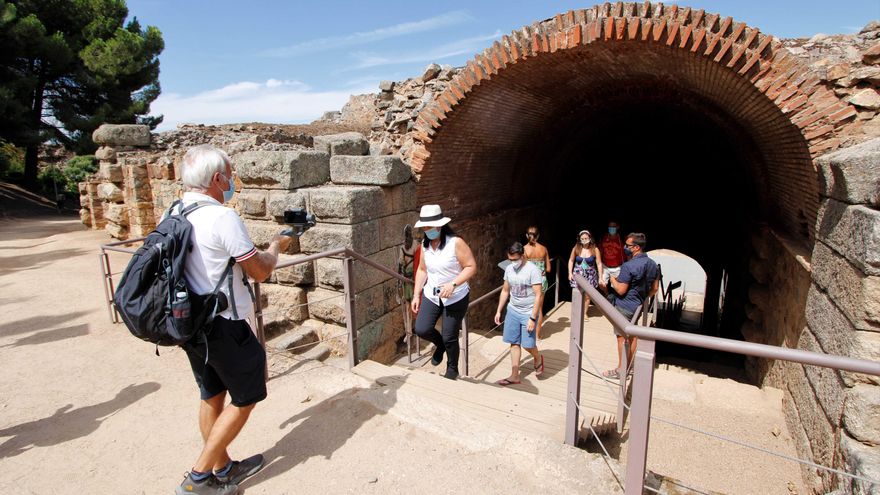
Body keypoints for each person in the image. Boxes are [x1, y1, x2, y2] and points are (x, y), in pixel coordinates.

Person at [174, 145, 293, 495]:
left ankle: (223, 467)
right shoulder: (222, 217)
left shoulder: (176, 210)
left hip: (191, 321)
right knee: (245, 398)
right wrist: (275, 247)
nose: (231, 182)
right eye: (229, 175)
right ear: (216, 179)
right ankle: (197, 480)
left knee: (211, 394)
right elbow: (258, 271)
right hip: (226, 323)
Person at [411, 204, 477, 380]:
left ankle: (452, 369)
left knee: (450, 336)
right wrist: (416, 294)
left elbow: (471, 266)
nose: (427, 230)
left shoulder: (456, 243)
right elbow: (422, 270)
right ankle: (438, 346)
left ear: (439, 225)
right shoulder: (425, 245)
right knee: (421, 328)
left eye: (430, 227)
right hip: (432, 295)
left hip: (455, 296)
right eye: (425, 227)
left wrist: (453, 284)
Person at [605, 232, 660, 380]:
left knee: (621, 338)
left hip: (624, 306)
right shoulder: (653, 265)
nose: (625, 247)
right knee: (633, 336)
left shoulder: (628, 266)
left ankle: (621, 369)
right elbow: (655, 288)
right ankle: (628, 367)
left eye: (627, 245)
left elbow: (621, 290)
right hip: (638, 306)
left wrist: (612, 280)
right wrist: (643, 297)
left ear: (636, 247)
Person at [494, 242, 545, 386]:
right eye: (510, 259)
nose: (512, 262)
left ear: (522, 256)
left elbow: (538, 295)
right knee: (514, 343)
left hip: (528, 312)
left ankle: (538, 357)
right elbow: (505, 290)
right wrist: (499, 310)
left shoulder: (532, 270)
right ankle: (514, 375)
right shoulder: (509, 269)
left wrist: (532, 318)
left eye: (515, 259)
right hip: (513, 310)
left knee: (528, 344)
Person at [523, 225, 551, 339]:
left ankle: (527, 333)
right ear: (538, 236)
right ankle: (538, 335)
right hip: (542, 281)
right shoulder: (543, 249)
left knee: (527, 307)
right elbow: (548, 268)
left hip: (529, 282)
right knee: (539, 308)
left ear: (526, 235)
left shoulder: (524, 249)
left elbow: (522, 267)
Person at [568, 229, 604, 315]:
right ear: (579, 239)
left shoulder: (595, 249)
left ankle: (584, 313)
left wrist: (601, 277)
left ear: (590, 238)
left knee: (588, 296)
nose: (584, 240)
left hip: (590, 276)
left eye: (586, 238)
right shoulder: (576, 248)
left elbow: (599, 263)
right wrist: (569, 273)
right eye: (582, 238)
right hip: (577, 275)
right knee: (577, 293)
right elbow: (571, 260)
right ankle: (577, 312)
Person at [599, 221, 625, 291]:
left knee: (616, 287)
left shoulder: (622, 238)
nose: (611, 228)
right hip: (605, 266)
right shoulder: (603, 237)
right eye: (610, 227)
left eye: (613, 227)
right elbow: (600, 251)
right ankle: (607, 295)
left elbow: (627, 252)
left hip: (617, 267)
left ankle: (614, 299)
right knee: (601, 284)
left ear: (617, 227)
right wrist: (599, 264)